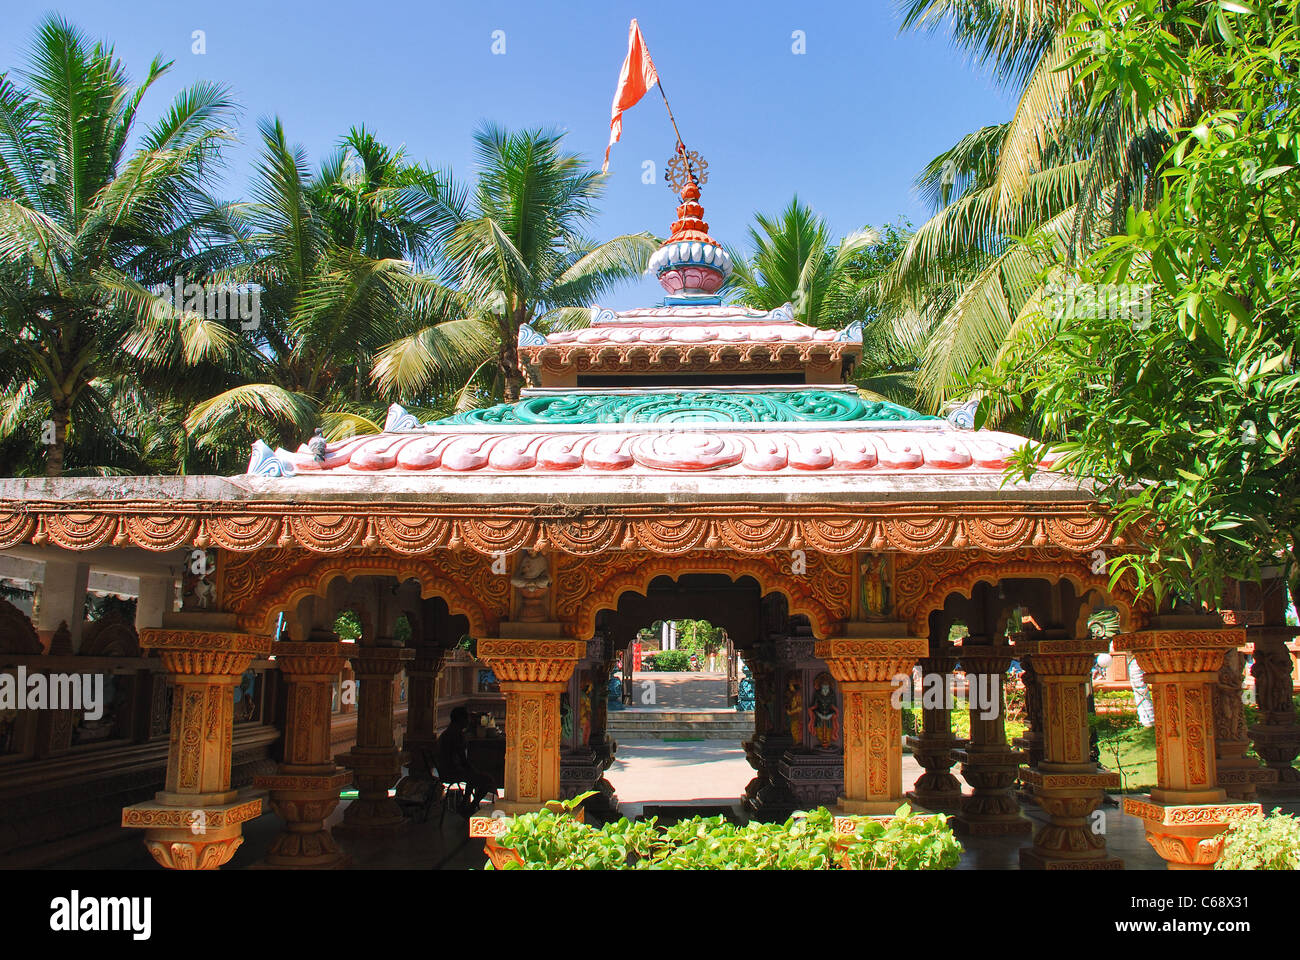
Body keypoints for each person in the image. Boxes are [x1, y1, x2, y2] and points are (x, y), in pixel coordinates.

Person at [437, 707, 496, 816]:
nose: (468, 721)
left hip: (446, 771)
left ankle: (465, 804)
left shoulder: (447, 733)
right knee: (487, 780)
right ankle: (470, 806)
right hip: (453, 772)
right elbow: (463, 761)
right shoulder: (455, 735)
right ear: (461, 720)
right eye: (466, 719)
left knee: (473, 776)